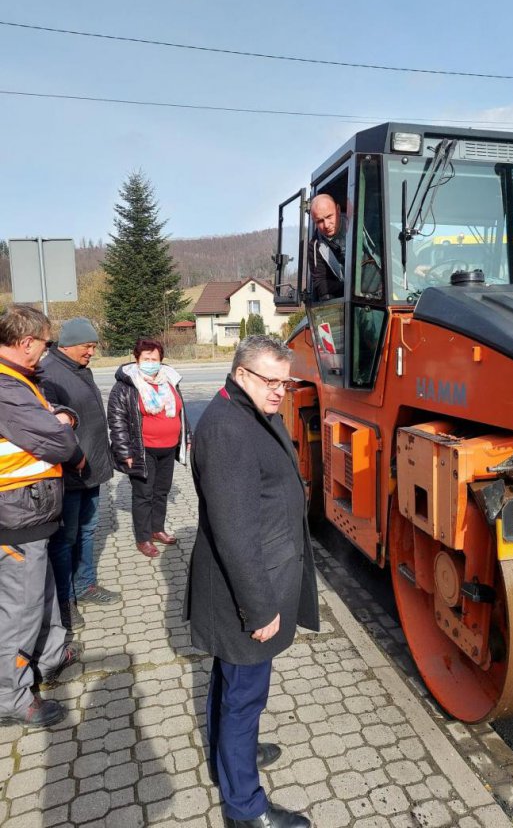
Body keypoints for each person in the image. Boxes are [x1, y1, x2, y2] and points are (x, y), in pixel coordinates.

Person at [185, 335, 319, 828]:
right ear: (241, 374)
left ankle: (231, 759)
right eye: (271, 380)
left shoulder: (250, 410)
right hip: (246, 591)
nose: (281, 391)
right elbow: (235, 532)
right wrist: (259, 609)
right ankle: (245, 808)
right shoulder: (228, 429)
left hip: (258, 578)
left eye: (286, 381)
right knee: (244, 695)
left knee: (233, 683)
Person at [0, 305, 83, 728]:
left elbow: (48, 426)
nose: (46, 352)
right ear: (26, 341)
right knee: (20, 608)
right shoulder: (5, 386)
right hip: (13, 517)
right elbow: (59, 443)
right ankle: (11, 697)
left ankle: (50, 658)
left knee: (43, 591)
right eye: (45, 343)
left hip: (30, 515)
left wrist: (58, 417)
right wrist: (62, 425)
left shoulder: (19, 380)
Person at [40, 317, 120, 631]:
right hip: (70, 473)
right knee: (65, 540)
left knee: (86, 532)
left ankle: (85, 585)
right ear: (70, 344)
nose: (91, 352)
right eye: (88, 346)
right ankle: (65, 601)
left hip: (92, 470)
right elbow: (55, 426)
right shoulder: (50, 374)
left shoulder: (79, 370)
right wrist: (75, 458)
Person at [107, 338, 189, 559]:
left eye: (154, 359)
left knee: (161, 491)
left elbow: (181, 411)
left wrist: (185, 436)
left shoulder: (169, 381)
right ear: (137, 359)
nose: (150, 362)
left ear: (161, 361)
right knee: (143, 494)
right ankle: (143, 538)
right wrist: (125, 452)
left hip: (168, 448)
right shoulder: (126, 385)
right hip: (143, 450)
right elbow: (117, 421)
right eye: (146, 359)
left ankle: (157, 528)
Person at [308, 193, 348, 300]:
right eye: (320, 221)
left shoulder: (360, 227)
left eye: (329, 217)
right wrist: (350, 286)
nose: (326, 225)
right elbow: (321, 285)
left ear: (338, 210)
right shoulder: (315, 246)